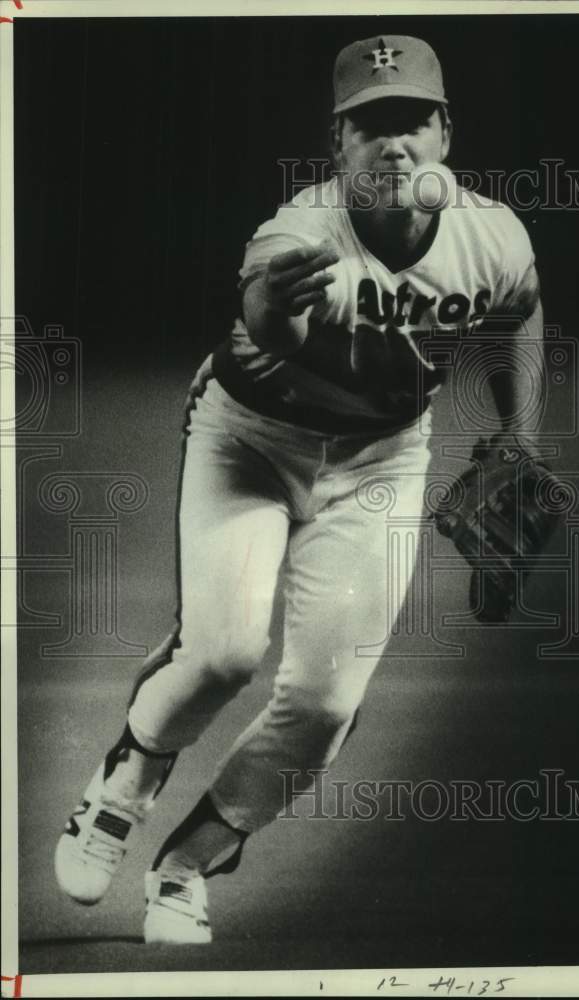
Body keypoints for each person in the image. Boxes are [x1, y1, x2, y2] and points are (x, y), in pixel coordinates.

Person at [55, 34, 544, 945]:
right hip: (250, 442)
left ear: (445, 133)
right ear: (338, 146)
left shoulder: (494, 235)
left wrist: (518, 435)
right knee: (225, 651)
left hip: (381, 461)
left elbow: (520, 310)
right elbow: (261, 316)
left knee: (325, 701)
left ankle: (188, 862)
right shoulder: (299, 232)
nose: (393, 144)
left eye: (411, 121)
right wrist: (273, 309)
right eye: (371, 127)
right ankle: (125, 781)